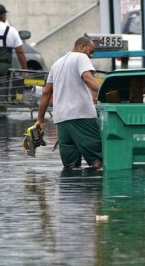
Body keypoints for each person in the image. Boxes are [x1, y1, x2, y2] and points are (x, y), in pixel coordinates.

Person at [35, 37, 103, 169]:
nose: (91, 55)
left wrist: (40, 120)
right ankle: (96, 189)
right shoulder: (81, 57)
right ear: (82, 47)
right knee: (98, 161)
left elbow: (46, 93)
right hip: (81, 116)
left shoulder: (56, 64)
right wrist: (106, 92)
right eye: (91, 51)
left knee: (71, 167)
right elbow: (88, 78)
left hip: (61, 121)